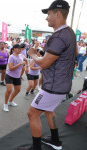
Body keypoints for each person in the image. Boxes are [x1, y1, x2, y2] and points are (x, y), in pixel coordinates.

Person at [18, 1, 77, 150]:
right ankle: (55, 141)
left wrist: (32, 55)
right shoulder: (69, 32)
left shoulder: (58, 36)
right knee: (49, 110)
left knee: (32, 113)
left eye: (49, 14)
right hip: (62, 83)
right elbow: (72, 53)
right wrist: (45, 55)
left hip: (53, 85)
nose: (46, 18)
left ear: (57, 13)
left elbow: (44, 64)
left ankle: (36, 148)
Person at [4, 44, 28, 112]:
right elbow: (11, 68)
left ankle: (10, 101)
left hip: (17, 76)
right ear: (14, 49)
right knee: (9, 90)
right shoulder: (11, 57)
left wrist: (27, 67)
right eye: (18, 49)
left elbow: (26, 60)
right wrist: (20, 64)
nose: (20, 50)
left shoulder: (21, 55)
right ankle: (5, 104)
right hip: (9, 76)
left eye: (21, 49)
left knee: (18, 90)